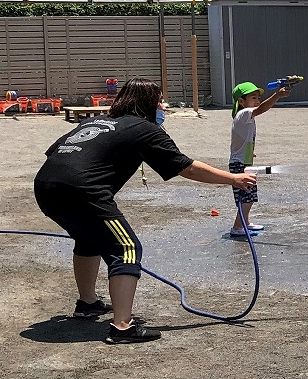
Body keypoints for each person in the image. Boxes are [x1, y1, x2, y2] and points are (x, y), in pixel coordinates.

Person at [33, 77, 256, 344]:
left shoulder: (95, 122)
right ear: (147, 103)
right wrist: (233, 178)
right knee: (127, 248)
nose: (164, 105)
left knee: (89, 238)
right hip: (81, 191)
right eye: (160, 100)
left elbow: (55, 153)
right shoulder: (144, 128)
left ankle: (88, 303)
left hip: (46, 186)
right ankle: (122, 328)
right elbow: (186, 167)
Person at [228, 79, 289, 237]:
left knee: (250, 195)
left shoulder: (246, 117)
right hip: (239, 164)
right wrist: (277, 95)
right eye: (253, 98)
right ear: (241, 101)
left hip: (243, 161)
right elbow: (262, 109)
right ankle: (237, 227)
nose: (257, 101)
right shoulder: (244, 113)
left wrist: (250, 153)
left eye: (258, 97)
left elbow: (241, 141)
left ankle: (245, 223)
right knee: (246, 197)